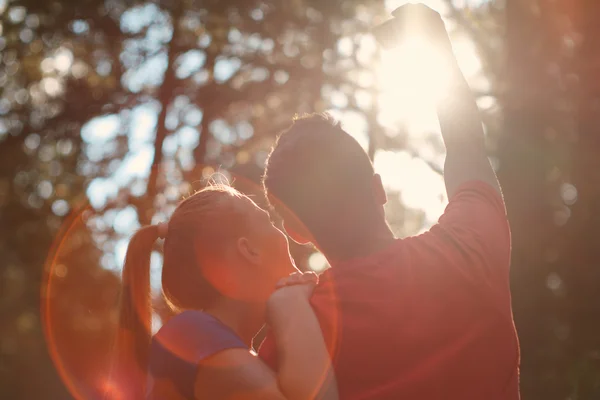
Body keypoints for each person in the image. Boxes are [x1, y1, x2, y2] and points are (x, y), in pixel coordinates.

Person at [259, 4, 520, 400]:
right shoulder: (470, 248)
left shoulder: (297, 335)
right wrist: (436, 46)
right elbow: (467, 146)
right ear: (378, 189)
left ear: (296, 232)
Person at [108, 184, 338, 400]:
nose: (284, 236)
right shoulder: (193, 334)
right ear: (249, 250)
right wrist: (293, 304)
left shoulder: (214, 343)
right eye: (269, 222)